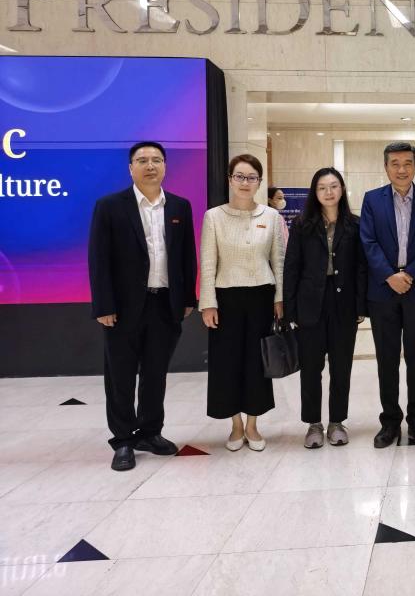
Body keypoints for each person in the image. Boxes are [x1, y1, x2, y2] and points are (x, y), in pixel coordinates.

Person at [88, 141, 197, 471]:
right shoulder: (110, 206)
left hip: (165, 304)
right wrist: (104, 305)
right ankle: (123, 440)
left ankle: (150, 432)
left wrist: (187, 298)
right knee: (120, 376)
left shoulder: (179, 206)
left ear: (165, 166)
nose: (150, 165)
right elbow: (99, 259)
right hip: (122, 308)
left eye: (157, 160)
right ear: (130, 168)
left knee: (155, 374)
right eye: (142, 160)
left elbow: (186, 256)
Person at [360, 141, 415, 448]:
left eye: (407, 163)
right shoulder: (372, 199)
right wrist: (389, 275)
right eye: (395, 163)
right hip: (383, 290)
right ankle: (390, 422)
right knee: (387, 359)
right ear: (386, 167)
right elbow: (368, 242)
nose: (401, 169)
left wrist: (410, 274)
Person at [200, 154, 284, 452]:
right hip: (226, 300)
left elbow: (278, 261)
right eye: (239, 176)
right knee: (227, 363)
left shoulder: (271, 217)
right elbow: (207, 263)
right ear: (230, 180)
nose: (245, 182)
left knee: (257, 363)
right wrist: (208, 303)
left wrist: (280, 298)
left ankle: (253, 425)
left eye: (251, 177)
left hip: (262, 297)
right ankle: (235, 425)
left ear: (259, 182)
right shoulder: (214, 216)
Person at [284, 168, 367, 448]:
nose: (328, 192)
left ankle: (337, 422)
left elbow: (361, 268)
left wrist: (360, 305)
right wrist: (291, 310)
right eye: (322, 187)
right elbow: (291, 267)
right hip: (310, 303)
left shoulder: (355, 225)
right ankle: (314, 425)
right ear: (315, 192)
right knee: (311, 368)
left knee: (341, 367)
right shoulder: (302, 224)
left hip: (344, 302)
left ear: (342, 189)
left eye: (333, 186)